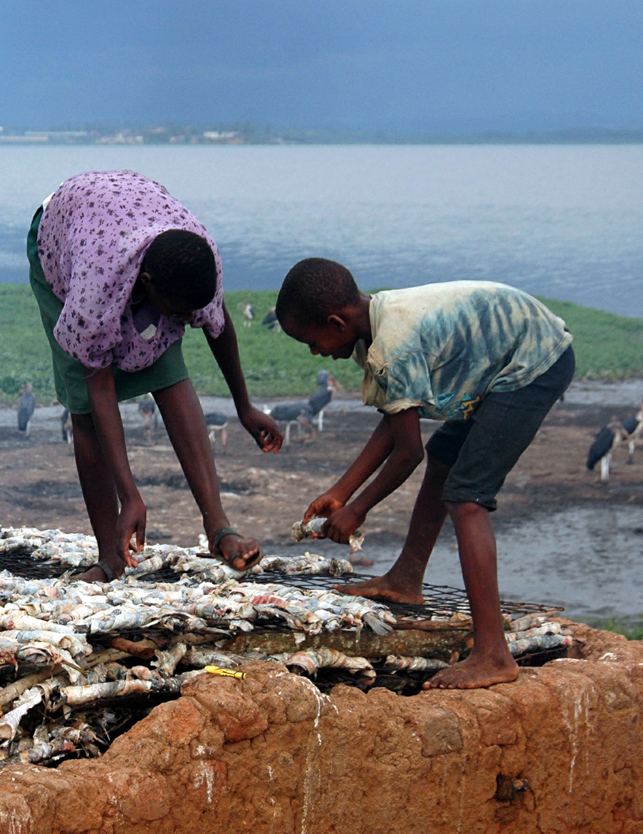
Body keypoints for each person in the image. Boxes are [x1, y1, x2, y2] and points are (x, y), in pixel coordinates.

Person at [275, 258, 574, 690]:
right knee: (445, 456)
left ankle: (493, 655)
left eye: (312, 342)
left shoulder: (392, 346)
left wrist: (357, 510)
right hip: (500, 357)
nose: (316, 352)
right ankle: (405, 579)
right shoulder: (372, 328)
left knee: (467, 498)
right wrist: (340, 491)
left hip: (533, 362)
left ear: (337, 322)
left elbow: (406, 452)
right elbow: (395, 420)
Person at [30, 170, 282, 583]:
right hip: (65, 236)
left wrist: (245, 406)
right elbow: (99, 383)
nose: (184, 322)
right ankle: (110, 557)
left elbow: (217, 323)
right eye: (180, 312)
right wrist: (130, 495)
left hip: (131, 216)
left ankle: (218, 527)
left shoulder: (199, 259)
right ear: (147, 283)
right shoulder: (95, 284)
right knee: (83, 407)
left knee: (168, 371)